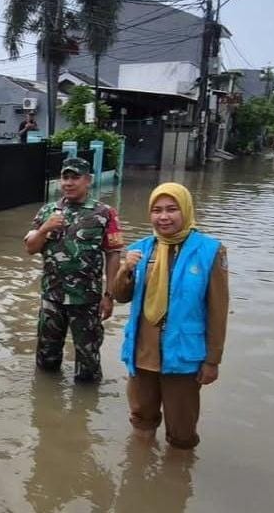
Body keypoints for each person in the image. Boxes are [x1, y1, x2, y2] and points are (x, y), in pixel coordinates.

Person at [113, 182, 229, 450]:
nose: (163, 217)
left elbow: (218, 310)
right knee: (141, 419)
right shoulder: (141, 249)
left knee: (182, 430)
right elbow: (120, 296)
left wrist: (212, 360)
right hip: (143, 353)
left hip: (184, 356)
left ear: (185, 210)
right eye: (156, 210)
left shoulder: (209, 251)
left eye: (171, 209)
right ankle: (141, 471)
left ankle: (177, 481)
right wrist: (125, 270)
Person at [24, 157, 123, 383]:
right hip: (52, 298)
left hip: (87, 301)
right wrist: (45, 228)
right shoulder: (48, 211)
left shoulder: (105, 213)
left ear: (88, 180)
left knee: (88, 367)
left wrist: (109, 296)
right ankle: (46, 407)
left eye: (75, 177)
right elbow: (31, 248)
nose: (68, 183)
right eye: (65, 177)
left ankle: (86, 412)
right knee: (46, 362)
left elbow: (113, 254)